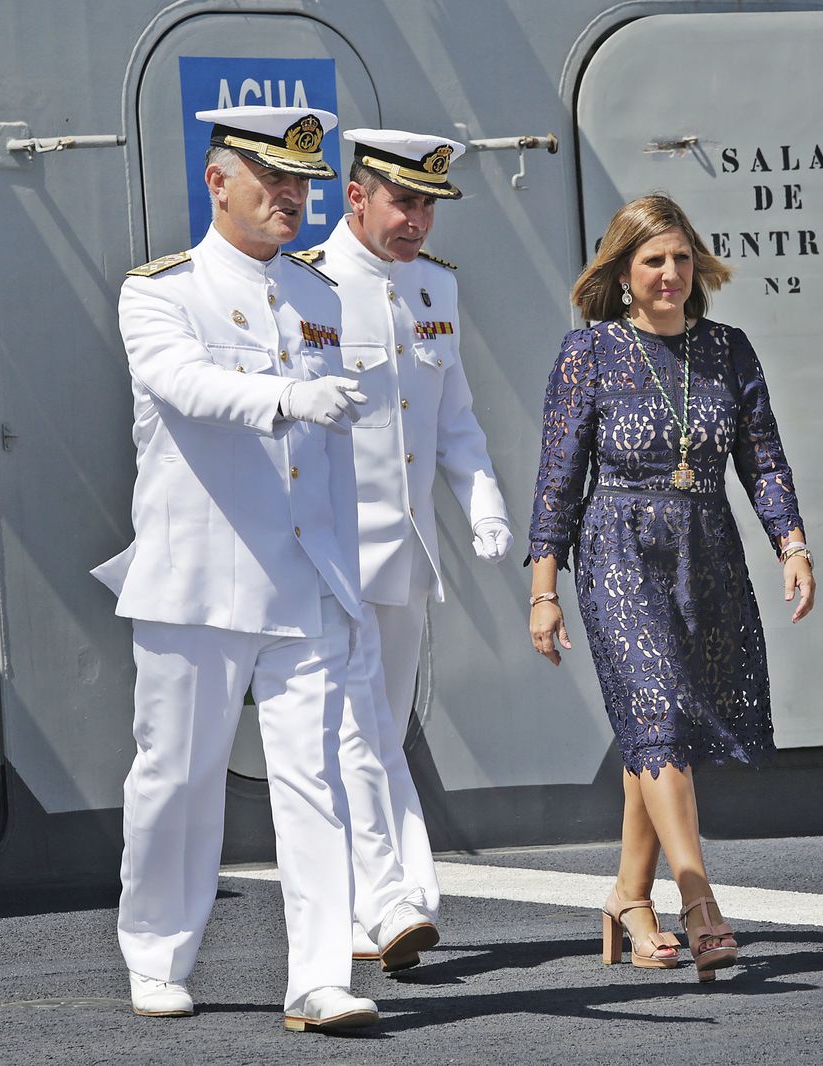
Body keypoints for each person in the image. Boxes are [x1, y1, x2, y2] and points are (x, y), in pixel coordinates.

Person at [91, 104, 382, 1032]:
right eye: (274, 181)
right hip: (199, 578)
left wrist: (348, 572)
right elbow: (185, 385)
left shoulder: (320, 295)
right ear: (218, 182)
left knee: (315, 779)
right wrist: (288, 394)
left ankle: (320, 976)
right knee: (176, 775)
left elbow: (331, 454)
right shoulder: (160, 292)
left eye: (302, 184)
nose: (292, 198)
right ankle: (158, 951)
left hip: (302, 580)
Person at [525, 194, 816, 981]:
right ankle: (698, 898)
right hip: (617, 545)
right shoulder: (590, 353)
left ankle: (628, 896)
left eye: (682, 258)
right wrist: (544, 590)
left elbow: (763, 457)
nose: (670, 274)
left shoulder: (728, 350)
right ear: (623, 272)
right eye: (653, 260)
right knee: (654, 709)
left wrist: (791, 542)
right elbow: (559, 479)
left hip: (704, 550)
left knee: (660, 728)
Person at [304, 129, 512, 970]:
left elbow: (453, 417)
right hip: (326, 552)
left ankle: (374, 905)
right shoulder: (307, 287)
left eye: (428, 204)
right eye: (403, 201)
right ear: (358, 197)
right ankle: (394, 899)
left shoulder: (435, 290)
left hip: (403, 552)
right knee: (357, 727)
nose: (417, 219)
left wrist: (484, 500)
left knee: (380, 726)